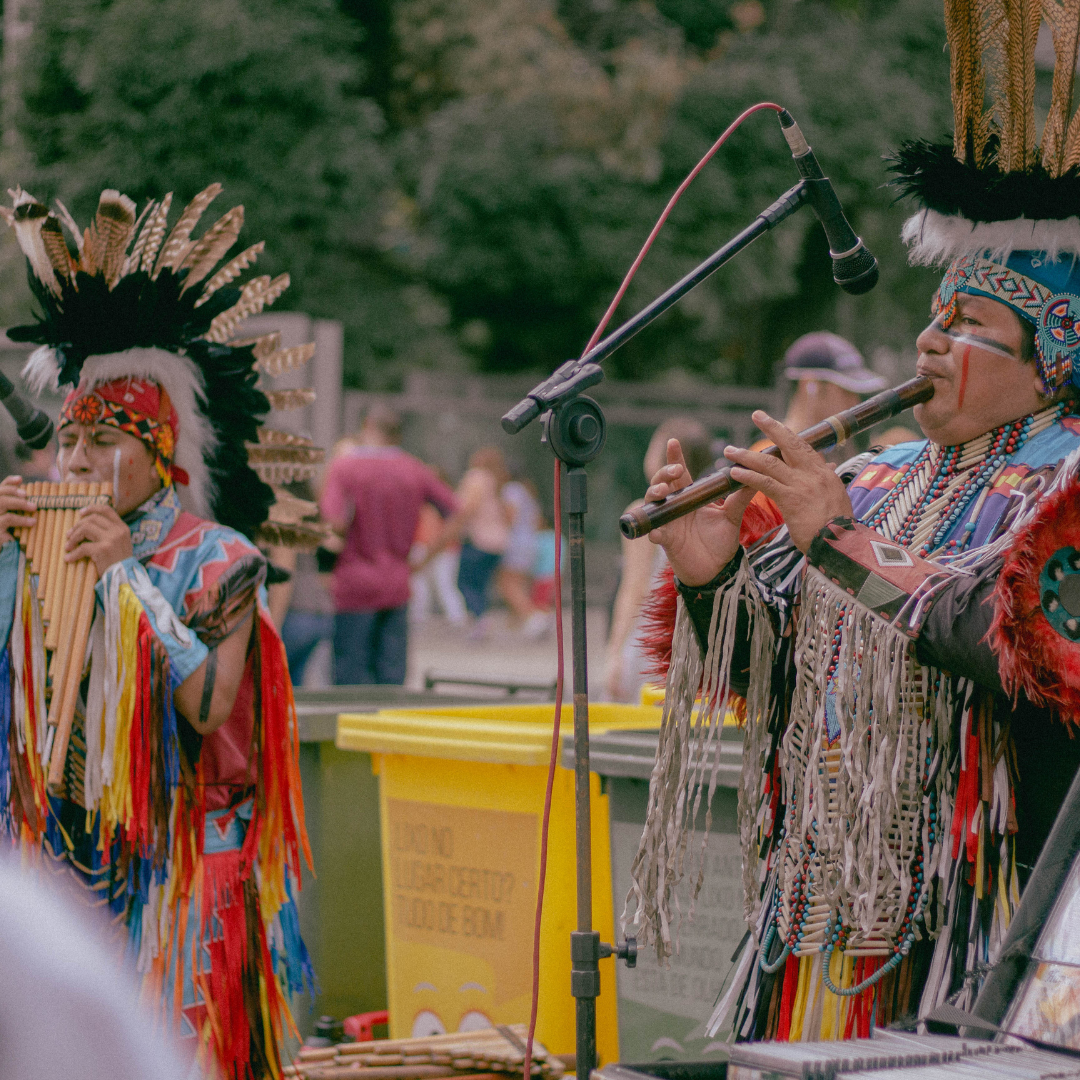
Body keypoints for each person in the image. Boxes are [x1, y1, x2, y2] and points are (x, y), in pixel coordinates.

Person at [624, 28, 1080, 1040]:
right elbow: (779, 679)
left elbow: (1012, 645)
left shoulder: (1070, 490)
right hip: (828, 905)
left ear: (1055, 360)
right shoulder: (869, 477)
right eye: (935, 313)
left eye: (971, 328)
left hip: (985, 917)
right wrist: (713, 581)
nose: (929, 341)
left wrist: (836, 538)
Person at [0, 184, 313, 1076]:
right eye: (69, 443)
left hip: (185, 855)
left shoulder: (220, 558)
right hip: (71, 842)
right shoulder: (44, 543)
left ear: (160, 448)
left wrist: (125, 579)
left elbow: (209, 707)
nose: (76, 463)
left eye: (102, 443)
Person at [320, 404, 458, 684]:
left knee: (350, 679)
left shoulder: (345, 467)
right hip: (397, 582)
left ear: (367, 425)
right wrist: (425, 558)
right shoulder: (414, 469)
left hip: (354, 584)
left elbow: (333, 520)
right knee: (392, 679)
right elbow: (456, 513)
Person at [604, 418, 713, 703]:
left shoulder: (642, 515)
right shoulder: (708, 513)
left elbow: (635, 587)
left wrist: (614, 653)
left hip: (649, 637)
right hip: (690, 639)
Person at [453, 446, 510, 633]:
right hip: (498, 542)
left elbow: (469, 506)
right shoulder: (497, 481)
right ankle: (479, 617)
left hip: (478, 539)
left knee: (464, 582)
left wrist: (455, 526)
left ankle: (479, 618)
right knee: (481, 584)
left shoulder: (476, 477)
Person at [498, 473, 548, 639]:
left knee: (507, 584)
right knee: (519, 584)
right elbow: (537, 520)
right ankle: (519, 623)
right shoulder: (528, 493)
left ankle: (535, 617)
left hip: (516, 541)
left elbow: (511, 515)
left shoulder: (511, 490)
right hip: (530, 540)